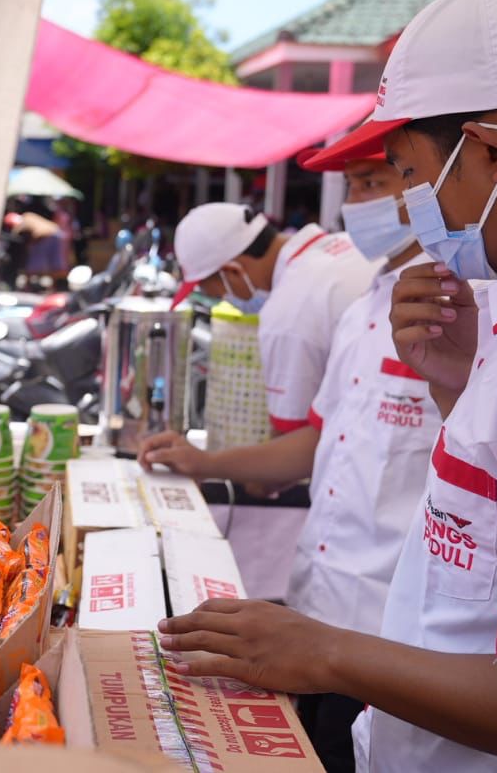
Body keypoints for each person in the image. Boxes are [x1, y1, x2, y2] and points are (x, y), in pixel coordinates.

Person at [157, 0, 497, 771]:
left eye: (410, 173)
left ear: (492, 152)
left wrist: (328, 652)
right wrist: (457, 388)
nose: (411, 205)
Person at [140, 147, 437, 773]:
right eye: (351, 186)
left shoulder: (461, 309)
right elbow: (315, 443)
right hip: (319, 606)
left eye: (374, 182)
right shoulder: (365, 307)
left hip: (389, 634)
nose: (355, 204)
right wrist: (204, 462)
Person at [169, 202, 378, 435]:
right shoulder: (346, 244)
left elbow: (292, 437)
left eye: (220, 295)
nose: (227, 302)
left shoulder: (287, 312)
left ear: (233, 271)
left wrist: (198, 456)